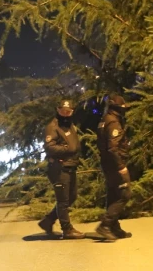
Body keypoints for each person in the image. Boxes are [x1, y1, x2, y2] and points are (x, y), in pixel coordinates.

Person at [38, 100, 85, 239]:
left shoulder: (70, 126)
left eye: (68, 112)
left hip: (70, 165)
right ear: (58, 110)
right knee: (63, 200)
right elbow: (49, 147)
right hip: (59, 168)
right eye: (63, 111)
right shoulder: (52, 127)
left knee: (72, 197)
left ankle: (47, 221)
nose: (65, 114)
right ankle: (67, 229)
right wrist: (67, 149)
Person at [95, 94, 133, 240]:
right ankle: (105, 224)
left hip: (107, 163)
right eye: (122, 108)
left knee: (114, 194)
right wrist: (121, 166)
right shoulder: (113, 122)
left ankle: (113, 227)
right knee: (125, 194)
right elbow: (112, 148)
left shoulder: (104, 120)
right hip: (114, 163)